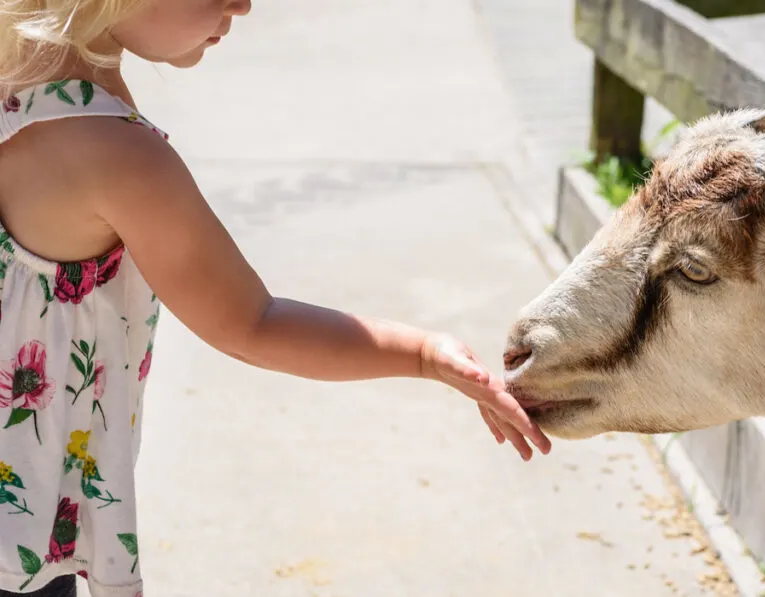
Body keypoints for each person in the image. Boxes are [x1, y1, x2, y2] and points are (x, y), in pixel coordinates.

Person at [0, 1, 552, 595]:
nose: (243, 4)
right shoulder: (114, 154)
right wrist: (421, 355)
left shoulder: (19, 77)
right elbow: (252, 322)